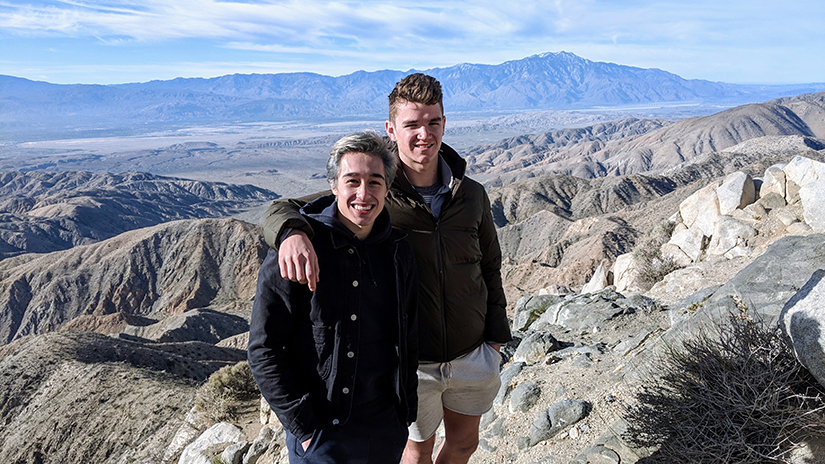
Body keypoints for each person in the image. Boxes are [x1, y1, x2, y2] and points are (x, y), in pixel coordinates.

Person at [261, 73, 512, 464]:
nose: (424, 134)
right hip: (413, 364)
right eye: (411, 124)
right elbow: (288, 207)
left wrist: (496, 338)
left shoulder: (472, 195)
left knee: (465, 444)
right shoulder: (375, 191)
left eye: (433, 122)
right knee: (415, 453)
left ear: (445, 123)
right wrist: (290, 231)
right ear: (391, 129)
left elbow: (490, 265)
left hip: (472, 352)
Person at [248, 130, 419, 463]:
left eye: (374, 182)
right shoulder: (299, 251)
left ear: (388, 188)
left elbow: (408, 335)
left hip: (385, 429)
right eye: (352, 181)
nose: (363, 193)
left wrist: (403, 415)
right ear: (333, 186)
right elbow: (263, 348)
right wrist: (306, 429)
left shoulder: (399, 252)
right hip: (324, 433)